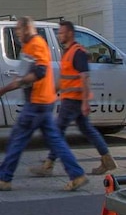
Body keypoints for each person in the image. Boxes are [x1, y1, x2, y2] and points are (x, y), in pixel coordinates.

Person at [0, 16, 88, 192]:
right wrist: (3, 90)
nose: (17, 34)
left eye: (18, 30)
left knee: (17, 139)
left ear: (26, 29)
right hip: (41, 103)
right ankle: (77, 175)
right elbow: (22, 76)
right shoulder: (28, 46)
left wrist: (9, 87)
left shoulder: (37, 44)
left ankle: (3, 178)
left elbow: (39, 72)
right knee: (55, 141)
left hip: (37, 103)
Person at [30, 18, 117, 177]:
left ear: (70, 33)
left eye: (62, 33)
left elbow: (85, 77)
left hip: (74, 100)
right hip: (70, 99)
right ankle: (107, 159)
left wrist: (85, 102)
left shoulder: (78, 52)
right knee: (87, 129)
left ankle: (48, 165)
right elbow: (65, 78)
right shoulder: (68, 53)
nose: (59, 36)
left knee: (57, 130)